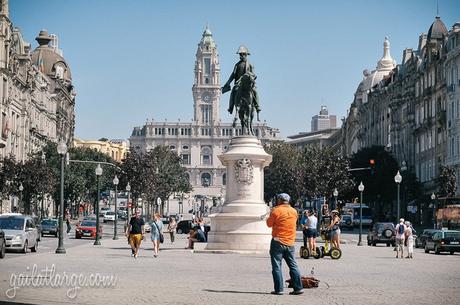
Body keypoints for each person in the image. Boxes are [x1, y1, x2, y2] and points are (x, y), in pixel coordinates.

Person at [266, 193, 303, 295]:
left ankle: (279, 289)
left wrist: (271, 214)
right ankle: (298, 288)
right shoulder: (294, 211)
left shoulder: (276, 210)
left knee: (277, 266)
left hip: (277, 241)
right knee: (293, 265)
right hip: (290, 242)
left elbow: (269, 224)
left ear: (279, 200)